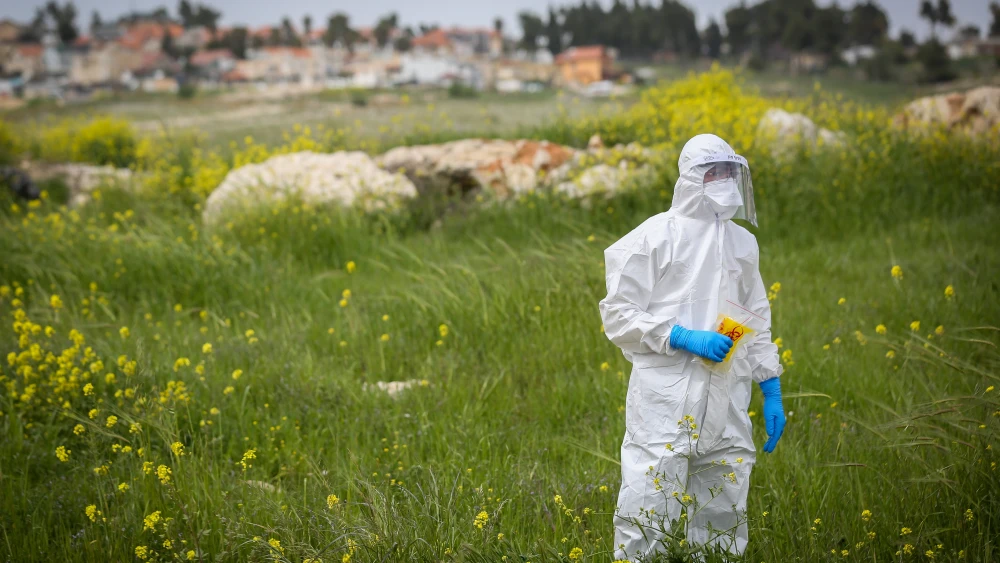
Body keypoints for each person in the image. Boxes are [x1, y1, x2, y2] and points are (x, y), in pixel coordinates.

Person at [599, 133, 786, 560]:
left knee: (726, 492)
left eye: (729, 172)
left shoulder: (743, 243)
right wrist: (681, 336)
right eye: (712, 171)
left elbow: (754, 318)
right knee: (651, 495)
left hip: (727, 390)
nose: (722, 180)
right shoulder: (652, 237)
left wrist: (770, 385)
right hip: (666, 390)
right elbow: (618, 314)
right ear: (690, 177)